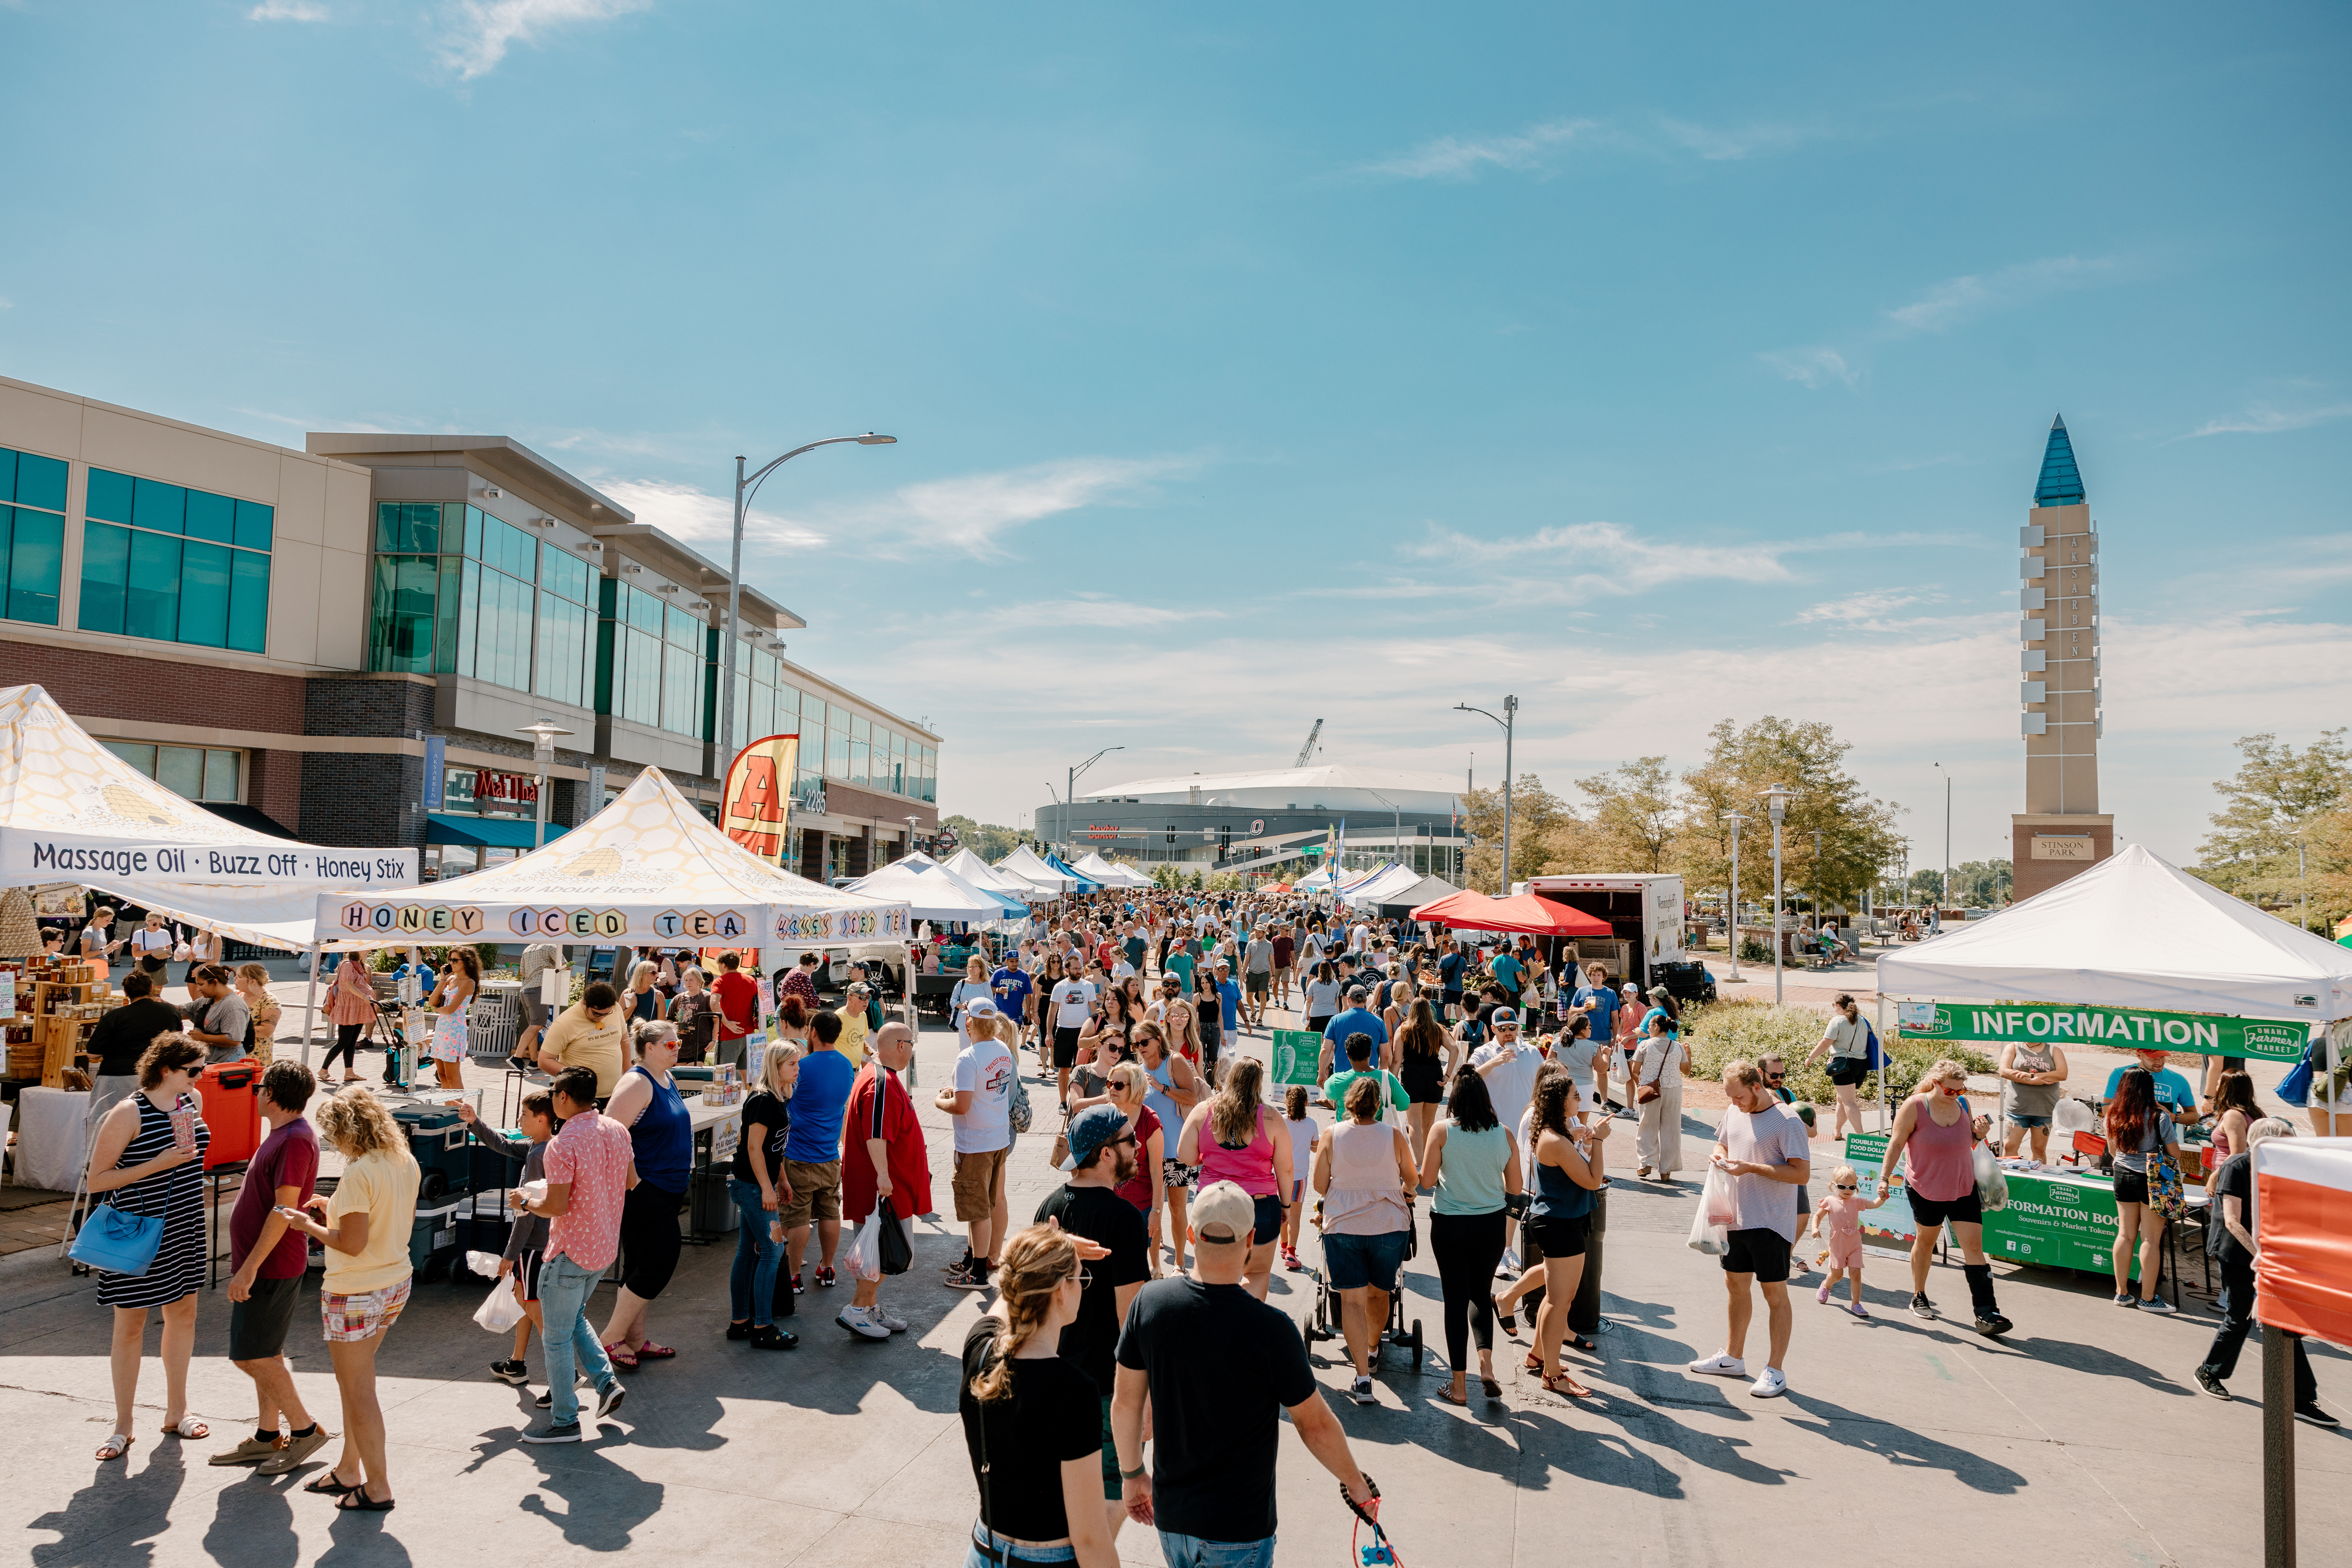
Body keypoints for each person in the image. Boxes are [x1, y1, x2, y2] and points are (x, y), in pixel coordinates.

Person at [1111, 1180, 1374, 1566]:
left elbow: (1126, 1402)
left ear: (1190, 1234)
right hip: (1238, 1528)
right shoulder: (1271, 1329)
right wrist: (1356, 1485)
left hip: (1173, 1519)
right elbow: (1314, 1425)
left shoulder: (1150, 1304)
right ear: (1251, 1238)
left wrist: (1132, 1474)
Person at [275, 1086, 421, 1508]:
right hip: (394, 1282)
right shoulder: (403, 1160)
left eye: (333, 1135)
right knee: (356, 1384)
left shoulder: (359, 1172)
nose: (333, 1144)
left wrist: (309, 1226)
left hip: (355, 1290)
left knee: (358, 1391)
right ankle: (348, 1469)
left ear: (347, 1131)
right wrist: (334, 1208)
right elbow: (389, 1219)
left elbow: (352, 1244)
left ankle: (377, 1487)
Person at [960, 1223, 1121, 1568]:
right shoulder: (1073, 1391)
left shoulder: (980, 1349)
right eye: (1080, 1278)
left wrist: (1047, 1246)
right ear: (1062, 1290)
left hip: (984, 1548)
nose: (1083, 1286)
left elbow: (1008, 1293)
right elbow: (1090, 1537)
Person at [85, 1033, 212, 1462]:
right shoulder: (128, 1112)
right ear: (165, 1069)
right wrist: (158, 1164)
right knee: (130, 1326)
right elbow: (97, 1181)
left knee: (184, 1314)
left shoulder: (190, 1104)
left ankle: (178, 1410)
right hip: (139, 1229)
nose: (201, 1076)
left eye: (202, 1069)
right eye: (193, 1070)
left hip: (184, 1224)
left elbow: (194, 1159)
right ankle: (123, 1423)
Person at [1036, 1106, 1151, 1546]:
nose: (1137, 1147)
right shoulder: (1122, 1219)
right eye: (1129, 1141)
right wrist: (1144, 1398)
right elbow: (1131, 1319)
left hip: (1052, 1379)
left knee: (1062, 1498)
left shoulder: (1050, 1205)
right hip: (1104, 1389)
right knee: (1108, 1502)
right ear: (1106, 1154)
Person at [214, 1060, 329, 1473]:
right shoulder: (283, 1134)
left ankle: (305, 1430)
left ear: (273, 1094)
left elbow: (284, 1209)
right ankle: (268, 1436)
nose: (256, 1093)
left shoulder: (295, 1140)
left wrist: (249, 1268)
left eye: (260, 1087)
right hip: (265, 1262)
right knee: (267, 1352)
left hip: (272, 1265)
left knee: (250, 1356)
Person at [514, 1065, 632, 1442]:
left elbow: (557, 1206)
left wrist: (528, 1202)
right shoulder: (617, 1130)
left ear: (563, 1098)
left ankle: (565, 1420)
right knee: (572, 1320)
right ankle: (605, 1382)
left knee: (556, 1338)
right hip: (603, 1248)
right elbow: (631, 1181)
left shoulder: (562, 1145)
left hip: (569, 1252)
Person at [2195, 1118, 2337, 1425]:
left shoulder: (2284, 1170)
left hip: (2271, 1256)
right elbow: (2233, 1221)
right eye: (2286, 1141)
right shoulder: (2238, 1166)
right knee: (2240, 1315)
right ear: (2264, 1142)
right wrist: (2263, 1256)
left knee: (2287, 1320)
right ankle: (2209, 1371)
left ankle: (2301, 1397)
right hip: (2236, 1253)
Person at [1689, 1060, 1814, 1397]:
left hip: (1772, 1220)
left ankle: (1775, 1370)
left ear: (1757, 1087)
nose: (1734, 1104)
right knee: (1735, 1285)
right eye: (1730, 1098)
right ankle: (1732, 1358)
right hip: (1735, 1216)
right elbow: (1723, 1145)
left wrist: (1750, 1169)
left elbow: (1801, 1175)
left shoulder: (1788, 1120)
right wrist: (1717, 1156)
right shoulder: (1734, 1113)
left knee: (1774, 1294)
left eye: (1739, 1097)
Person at [1876, 1058, 2013, 1332]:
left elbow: (1968, 1143)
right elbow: (1896, 1143)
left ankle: (1987, 1312)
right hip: (1926, 1188)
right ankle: (1919, 1296)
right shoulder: (1915, 1107)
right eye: (1950, 1091)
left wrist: (1979, 1135)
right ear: (1935, 1084)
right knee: (1926, 1243)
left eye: (1960, 1090)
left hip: (1963, 1187)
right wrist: (1883, 1178)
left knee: (1974, 1248)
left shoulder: (1962, 1105)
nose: (1955, 1096)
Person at [1494, 1071, 1608, 1396]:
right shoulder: (1555, 1140)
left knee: (1553, 1297)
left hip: (1557, 1220)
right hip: (1559, 1223)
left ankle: (1538, 1356)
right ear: (1559, 1102)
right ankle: (1552, 1373)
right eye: (1574, 1096)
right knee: (1561, 1301)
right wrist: (1597, 1141)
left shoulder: (1555, 1134)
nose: (1580, 1100)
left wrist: (1582, 1139)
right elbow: (1591, 1180)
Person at [1314, 1075, 1418, 1404]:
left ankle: (1361, 1379)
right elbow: (1412, 1180)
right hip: (1388, 1226)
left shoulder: (1332, 1135)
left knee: (1352, 1302)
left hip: (1344, 1226)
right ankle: (1374, 1348)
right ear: (1378, 1106)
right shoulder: (1394, 1136)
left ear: (1348, 1104)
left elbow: (1319, 1185)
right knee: (1380, 1292)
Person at [1420, 1066, 1520, 1404]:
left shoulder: (1441, 1131)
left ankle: (1459, 1386)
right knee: (1481, 1293)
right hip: (1491, 1225)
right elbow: (1517, 1187)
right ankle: (1487, 1366)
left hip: (1450, 1224)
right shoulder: (1504, 1133)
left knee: (1454, 1300)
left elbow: (1426, 1181)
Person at [596, 1019, 692, 1365]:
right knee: (660, 1261)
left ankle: (634, 1339)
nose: (677, 1046)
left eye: (677, 1041)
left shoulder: (667, 1078)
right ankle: (610, 1337)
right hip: (645, 1190)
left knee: (640, 1263)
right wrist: (633, 1179)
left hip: (667, 1187)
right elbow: (610, 1134)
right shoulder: (638, 1082)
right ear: (648, 1047)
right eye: (669, 1043)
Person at [839, 1022, 931, 1339]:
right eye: (911, 1043)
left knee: (880, 1250)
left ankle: (870, 1307)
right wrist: (883, 1176)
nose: (913, 1050)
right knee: (883, 1251)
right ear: (901, 1046)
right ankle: (858, 1309)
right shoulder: (881, 1083)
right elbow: (876, 1134)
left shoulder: (878, 1076)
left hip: (886, 1184)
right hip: (883, 1188)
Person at [457, 1089, 556, 1382]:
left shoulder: (538, 1155)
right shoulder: (542, 1146)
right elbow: (502, 1144)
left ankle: (565, 1371)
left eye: (524, 1115)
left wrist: (510, 1256)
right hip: (542, 1242)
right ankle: (517, 1362)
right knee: (525, 1298)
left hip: (533, 1245)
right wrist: (475, 1121)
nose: (518, 1120)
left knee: (532, 1306)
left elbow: (525, 1213)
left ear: (541, 1119)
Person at [1176, 1057, 1291, 1301]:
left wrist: (1207, 1160)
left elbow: (1184, 1155)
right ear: (1258, 1085)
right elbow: (1287, 1170)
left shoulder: (1204, 1110)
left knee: (1208, 1273)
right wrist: (1286, 1206)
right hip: (1259, 1202)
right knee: (1257, 1273)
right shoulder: (1271, 1119)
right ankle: (1243, 1330)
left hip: (1213, 1199)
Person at [940, 1000, 1018, 1289]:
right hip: (998, 1138)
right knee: (985, 1202)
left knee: (978, 1210)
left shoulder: (968, 1057)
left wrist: (940, 1100)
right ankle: (973, 1260)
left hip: (975, 1143)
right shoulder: (1002, 1049)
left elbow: (961, 1106)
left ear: (969, 1022)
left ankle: (978, 1275)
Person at [729, 1040, 801, 1350]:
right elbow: (754, 1147)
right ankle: (763, 1327)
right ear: (776, 1066)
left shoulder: (778, 1097)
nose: (798, 1070)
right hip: (753, 1188)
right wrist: (768, 1189)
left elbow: (775, 1149)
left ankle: (741, 1322)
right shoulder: (762, 1100)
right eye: (793, 1065)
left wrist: (781, 1180)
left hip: (759, 1185)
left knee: (748, 1251)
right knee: (772, 1251)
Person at [2102, 1065, 2185, 1313]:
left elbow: (2113, 1150)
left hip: (2122, 1174)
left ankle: (2122, 1293)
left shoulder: (2113, 1116)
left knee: (2125, 1234)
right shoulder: (2158, 1117)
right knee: (2150, 1239)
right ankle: (2148, 1298)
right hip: (2152, 1179)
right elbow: (2176, 1153)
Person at [83, 969, 184, 1137]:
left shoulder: (114, 1016)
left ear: (125, 992)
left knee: (109, 1128)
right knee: (154, 1127)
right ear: (152, 987)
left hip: (116, 1078)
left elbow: (93, 1055)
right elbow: (178, 1044)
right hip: (157, 1076)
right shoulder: (170, 1011)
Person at [1136, 1022, 1202, 1270]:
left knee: (1176, 1209)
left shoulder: (1174, 1061)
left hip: (1176, 1150)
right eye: (1137, 1044)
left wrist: (1162, 1087)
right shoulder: (1139, 1069)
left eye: (1145, 1042)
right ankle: (1155, 1267)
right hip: (1150, 1153)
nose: (1140, 1048)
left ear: (1157, 1039)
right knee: (1154, 1209)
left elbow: (1192, 1096)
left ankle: (1180, 1263)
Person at [540, 980, 626, 1105]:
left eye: (606, 1014)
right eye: (596, 1013)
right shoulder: (565, 1023)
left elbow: (624, 1040)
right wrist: (578, 1077)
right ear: (585, 1003)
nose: (601, 1017)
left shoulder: (616, 1008)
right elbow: (544, 1061)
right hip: (578, 1098)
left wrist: (629, 1071)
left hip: (614, 1095)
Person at [1800, 993, 1871, 1143]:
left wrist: (1810, 1057)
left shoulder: (1837, 1021)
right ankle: (1837, 1131)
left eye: (1834, 1006)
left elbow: (1826, 1043)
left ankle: (1862, 1137)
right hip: (1861, 1065)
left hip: (1844, 1065)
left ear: (1839, 1006)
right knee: (1842, 1099)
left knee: (1849, 1102)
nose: (1834, 1009)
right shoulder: (1863, 1021)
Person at [1396, 994, 1457, 1158]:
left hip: (1412, 1076)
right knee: (1429, 1123)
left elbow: (1396, 1059)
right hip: (1434, 1076)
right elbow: (1455, 1049)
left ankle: (1420, 1162)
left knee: (1414, 1123)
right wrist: (1448, 1074)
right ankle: (1429, 1161)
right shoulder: (1438, 1029)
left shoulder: (1404, 1029)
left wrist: (1393, 1079)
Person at [1631, 1012, 1686, 1182]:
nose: (1648, 1030)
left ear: (1656, 1027)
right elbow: (1686, 1070)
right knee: (1671, 1128)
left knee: (1647, 1126)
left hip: (1650, 1091)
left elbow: (1635, 1069)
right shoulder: (1678, 1047)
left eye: (1649, 1027)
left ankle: (1646, 1163)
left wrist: (1643, 1082)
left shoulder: (1645, 1045)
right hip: (1674, 1090)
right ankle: (1666, 1169)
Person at [1997, 1033, 2068, 1162]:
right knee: (2009, 1145)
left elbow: (2062, 1074)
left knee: (2039, 1149)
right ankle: (2008, 1180)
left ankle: (2036, 1180)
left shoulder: (2053, 1050)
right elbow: (2004, 1071)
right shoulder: (2014, 1047)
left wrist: (2029, 1076)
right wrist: (2031, 1080)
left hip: (2044, 1109)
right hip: (2018, 1109)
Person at [1812, 1163, 1869, 1316]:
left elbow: (1874, 1204)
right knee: (1838, 1275)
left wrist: (1883, 1197)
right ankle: (1826, 1285)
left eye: (1852, 1187)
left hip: (1854, 1243)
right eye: (1843, 1187)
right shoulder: (1830, 1201)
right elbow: (1817, 1216)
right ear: (1834, 1186)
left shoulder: (1857, 1202)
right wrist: (1815, 1228)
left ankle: (1856, 1304)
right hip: (1838, 1243)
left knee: (1856, 1274)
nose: (1847, 1191)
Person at [1323, 1031, 1408, 1127]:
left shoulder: (1336, 1080)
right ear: (1370, 1053)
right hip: (1379, 1135)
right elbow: (1405, 1104)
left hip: (1344, 1135)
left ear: (1348, 1055)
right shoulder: (1388, 1078)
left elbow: (1328, 1094)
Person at [426, 946, 479, 1090]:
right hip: (442, 1029)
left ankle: (459, 1111)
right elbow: (432, 1001)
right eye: (450, 960)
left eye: (455, 960)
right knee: (442, 1076)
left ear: (466, 962)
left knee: (453, 1077)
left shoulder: (468, 982)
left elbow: (450, 1009)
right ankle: (447, 1108)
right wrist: (443, 979)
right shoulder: (450, 980)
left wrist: (438, 1009)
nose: (451, 964)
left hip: (454, 1031)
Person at [323, 951, 378, 1084]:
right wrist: (365, 996)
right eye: (367, 949)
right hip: (349, 1007)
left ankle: (349, 1072)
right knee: (343, 1041)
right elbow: (349, 985)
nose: (369, 951)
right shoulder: (348, 964)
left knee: (352, 1042)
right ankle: (323, 1070)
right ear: (358, 950)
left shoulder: (359, 964)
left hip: (357, 1007)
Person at [1278, 1084, 1316, 1272]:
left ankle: (1284, 1247)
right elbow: (1315, 1147)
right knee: (1295, 1216)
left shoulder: (1281, 1121)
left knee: (1282, 1214)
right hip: (1300, 1177)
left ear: (1287, 1102)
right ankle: (1292, 1253)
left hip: (1280, 1175)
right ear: (1306, 1103)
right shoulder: (1312, 1124)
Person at [182, 963, 251, 1065]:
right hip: (211, 1060)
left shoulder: (233, 1005)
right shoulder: (207, 1000)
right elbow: (182, 1011)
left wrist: (203, 1038)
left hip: (228, 1060)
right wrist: (160, 1005)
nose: (198, 989)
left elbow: (234, 1039)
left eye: (201, 984)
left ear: (215, 983)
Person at [2102, 1049, 2201, 1120]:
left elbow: (2194, 1116)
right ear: (2139, 1055)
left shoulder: (2178, 1080)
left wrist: (2174, 1117)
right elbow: (2107, 1108)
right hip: (2130, 1141)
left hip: (2163, 1144)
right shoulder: (2121, 1074)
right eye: (2153, 1058)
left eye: (2162, 1057)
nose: (2159, 1062)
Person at [1319, 984, 1388, 1082]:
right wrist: (1380, 1078)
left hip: (1342, 1080)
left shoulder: (1336, 1020)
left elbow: (1326, 1050)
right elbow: (1385, 1055)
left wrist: (1321, 1073)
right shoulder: (1379, 1022)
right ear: (1365, 1001)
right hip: (1369, 1081)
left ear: (1348, 999)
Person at [710, 950, 759, 1065]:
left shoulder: (719, 982)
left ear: (724, 965)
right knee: (747, 1074)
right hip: (749, 1033)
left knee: (723, 1074)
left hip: (729, 1035)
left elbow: (713, 1004)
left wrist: (727, 1023)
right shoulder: (751, 980)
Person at [233, 963, 282, 1063]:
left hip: (255, 1053)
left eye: (239, 977)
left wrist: (234, 1032)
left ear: (252, 981)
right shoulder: (237, 996)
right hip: (234, 1051)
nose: (235, 979)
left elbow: (267, 1030)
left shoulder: (269, 1000)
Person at [1301, 960, 1342, 1039]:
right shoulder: (1336, 983)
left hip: (1316, 1014)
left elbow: (1309, 1000)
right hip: (1331, 1014)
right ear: (1331, 970)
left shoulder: (1313, 983)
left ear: (1319, 970)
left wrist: (1307, 1014)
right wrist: (1336, 1013)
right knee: (1328, 1039)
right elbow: (1337, 1001)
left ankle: (1318, 1052)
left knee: (1316, 1039)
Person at [1242, 928, 1273, 1031]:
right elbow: (1247, 959)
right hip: (1251, 973)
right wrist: (1243, 973)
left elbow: (1272, 961)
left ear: (1264, 933)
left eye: (1260, 932)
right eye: (1256, 932)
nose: (1257, 934)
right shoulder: (1251, 944)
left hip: (1264, 973)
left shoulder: (1269, 945)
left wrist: (1273, 976)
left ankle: (1260, 1018)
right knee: (1249, 996)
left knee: (1262, 994)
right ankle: (1253, 1011)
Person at [621, 960, 663, 1025]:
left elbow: (662, 1024)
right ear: (642, 974)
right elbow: (620, 1020)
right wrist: (632, 1006)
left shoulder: (658, 995)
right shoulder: (627, 993)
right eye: (653, 973)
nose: (656, 976)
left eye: (657, 973)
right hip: (631, 1034)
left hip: (650, 1034)